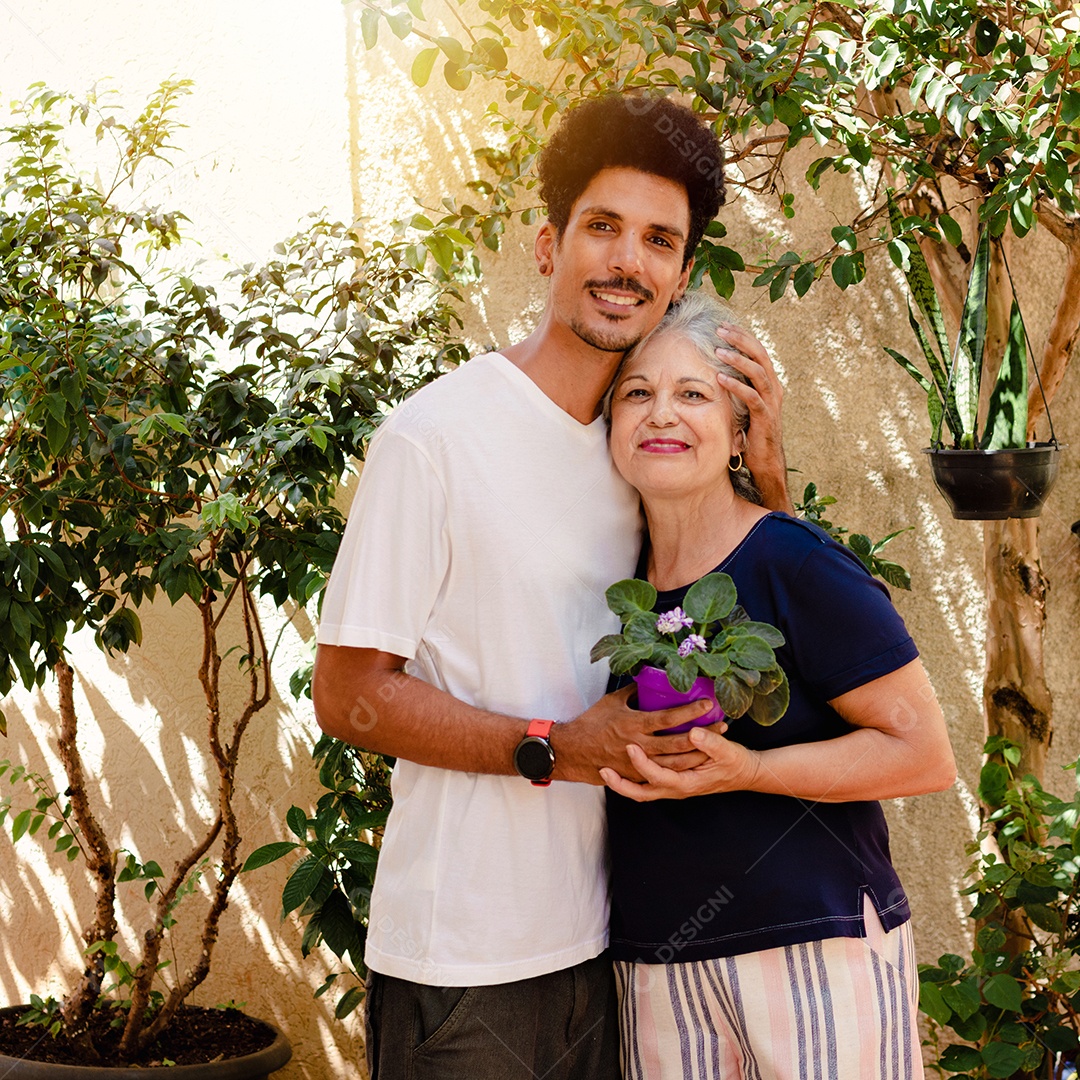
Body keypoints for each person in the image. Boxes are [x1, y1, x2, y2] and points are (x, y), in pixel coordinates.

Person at [312, 94, 791, 1080]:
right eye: (602, 227)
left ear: (682, 275)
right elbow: (349, 692)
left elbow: (768, 611)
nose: (627, 260)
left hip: (608, 944)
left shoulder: (640, 445)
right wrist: (557, 750)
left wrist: (767, 470)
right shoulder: (433, 440)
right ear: (548, 244)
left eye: (659, 240)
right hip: (466, 965)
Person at [599, 291, 957, 1080]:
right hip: (655, 961)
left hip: (812, 943)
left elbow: (924, 755)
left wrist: (753, 772)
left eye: (693, 394)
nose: (661, 414)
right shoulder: (610, 585)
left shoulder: (794, 560)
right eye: (637, 394)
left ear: (738, 430)